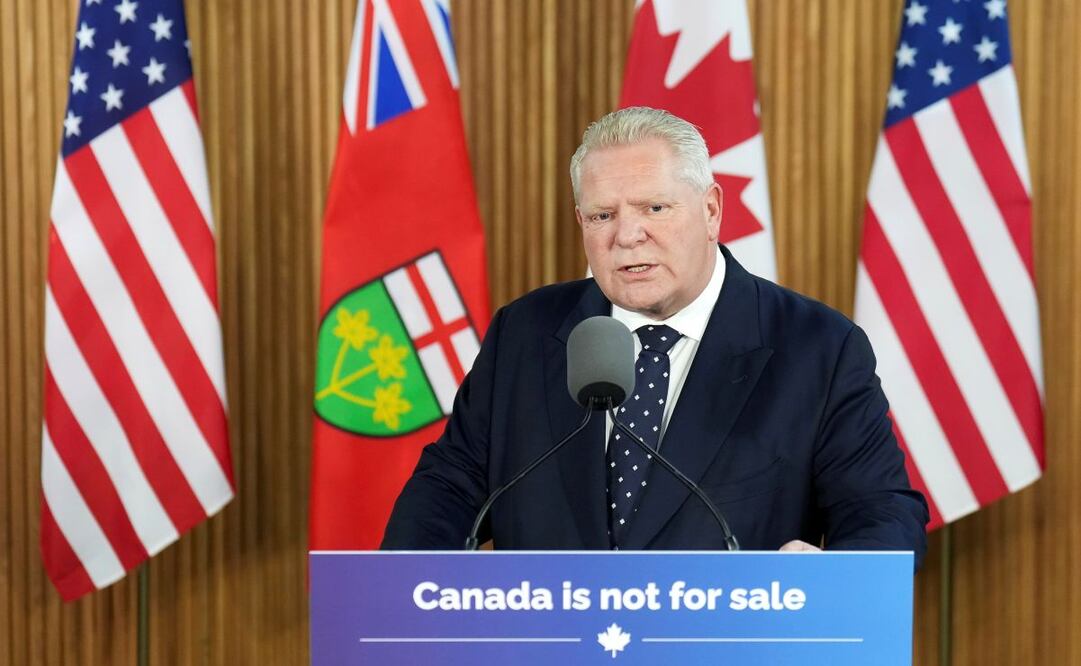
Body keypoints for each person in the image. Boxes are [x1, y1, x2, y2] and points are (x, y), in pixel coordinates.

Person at [382, 107, 928, 565]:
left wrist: (837, 578)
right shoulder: (526, 334)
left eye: (654, 208)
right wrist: (412, 586)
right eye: (602, 215)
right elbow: (447, 490)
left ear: (711, 209)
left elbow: (883, 512)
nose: (626, 235)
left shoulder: (817, 347)